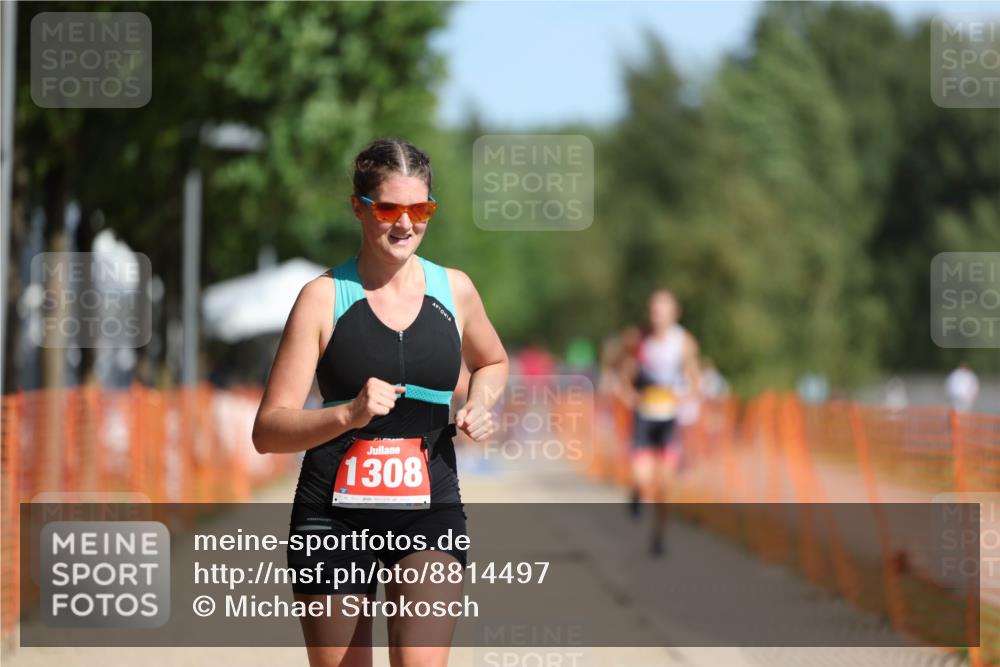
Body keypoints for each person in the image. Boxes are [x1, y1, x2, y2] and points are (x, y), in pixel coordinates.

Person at [252, 138, 508, 667]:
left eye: (421, 210)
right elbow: (268, 430)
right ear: (358, 207)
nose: (405, 224)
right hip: (332, 519)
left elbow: (493, 361)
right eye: (389, 209)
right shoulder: (322, 297)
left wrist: (481, 402)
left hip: (429, 513)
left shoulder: (455, 290)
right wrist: (349, 414)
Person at [622, 290, 700, 556]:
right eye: (654, 311)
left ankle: (659, 537)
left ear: (675, 313)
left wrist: (682, 398)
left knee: (665, 487)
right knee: (641, 477)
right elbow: (624, 374)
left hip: (669, 420)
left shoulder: (684, 342)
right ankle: (637, 493)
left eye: (663, 311)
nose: (657, 316)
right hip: (644, 417)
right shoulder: (639, 338)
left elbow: (695, 380)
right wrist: (630, 396)